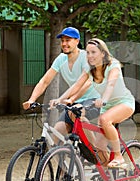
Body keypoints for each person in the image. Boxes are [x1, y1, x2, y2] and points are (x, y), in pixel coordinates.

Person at [58, 38, 135, 169]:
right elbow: (77, 85)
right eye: (87, 52)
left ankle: (118, 156)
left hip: (124, 103)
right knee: (99, 147)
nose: (90, 56)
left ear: (103, 54)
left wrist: (103, 99)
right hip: (107, 107)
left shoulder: (113, 65)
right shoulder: (90, 69)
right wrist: (60, 99)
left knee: (105, 120)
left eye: (93, 52)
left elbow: (110, 84)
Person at [22, 27, 100, 143]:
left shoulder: (86, 57)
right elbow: (44, 81)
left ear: (77, 41)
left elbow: (86, 83)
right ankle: (69, 159)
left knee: (79, 118)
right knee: (57, 135)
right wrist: (31, 99)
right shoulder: (61, 59)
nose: (64, 44)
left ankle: (98, 153)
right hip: (74, 103)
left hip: (93, 100)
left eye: (68, 40)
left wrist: (65, 99)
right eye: (62, 41)